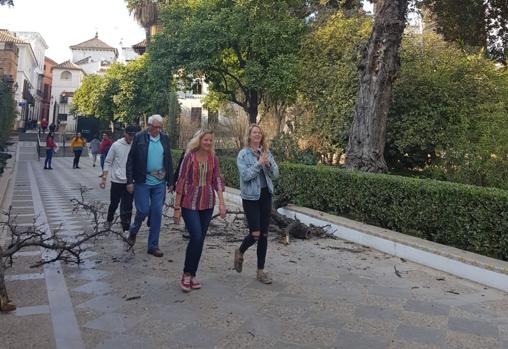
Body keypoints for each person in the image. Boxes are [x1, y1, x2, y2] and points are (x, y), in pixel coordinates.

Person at [173, 130, 226, 292]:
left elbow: (217, 180)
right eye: (205, 139)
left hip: (207, 202)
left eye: (210, 140)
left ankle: (193, 274)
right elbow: (181, 180)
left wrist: (222, 204)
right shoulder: (189, 157)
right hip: (189, 202)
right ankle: (186, 274)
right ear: (199, 140)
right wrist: (177, 207)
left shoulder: (213, 158)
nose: (208, 142)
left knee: (200, 239)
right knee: (195, 236)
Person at [234, 124, 279, 284]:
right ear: (249, 135)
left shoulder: (266, 153)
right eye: (254, 132)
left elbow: (276, 174)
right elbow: (245, 176)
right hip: (251, 198)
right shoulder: (243, 155)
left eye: (259, 133)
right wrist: (258, 164)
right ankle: (240, 251)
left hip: (266, 196)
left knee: (264, 235)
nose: (257, 135)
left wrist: (268, 164)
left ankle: (261, 271)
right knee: (255, 234)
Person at [126, 114, 174, 257]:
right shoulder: (139, 137)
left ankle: (153, 245)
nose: (157, 130)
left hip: (159, 182)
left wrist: (171, 181)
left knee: (157, 213)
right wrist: (129, 181)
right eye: (155, 127)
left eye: (160, 127)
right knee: (143, 211)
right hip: (142, 180)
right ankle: (134, 230)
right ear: (149, 125)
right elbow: (130, 160)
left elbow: (168, 160)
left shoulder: (164, 138)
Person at [100, 125, 138, 233]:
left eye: (133, 136)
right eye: (130, 135)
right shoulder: (116, 145)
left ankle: (126, 226)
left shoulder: (135, 146)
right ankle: (109, 220)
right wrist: (104, 178)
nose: (131, 138)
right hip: (117, 180)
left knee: (128, 205)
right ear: (125, 133)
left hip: (130, 181)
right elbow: (108, 162)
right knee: (114, 203)